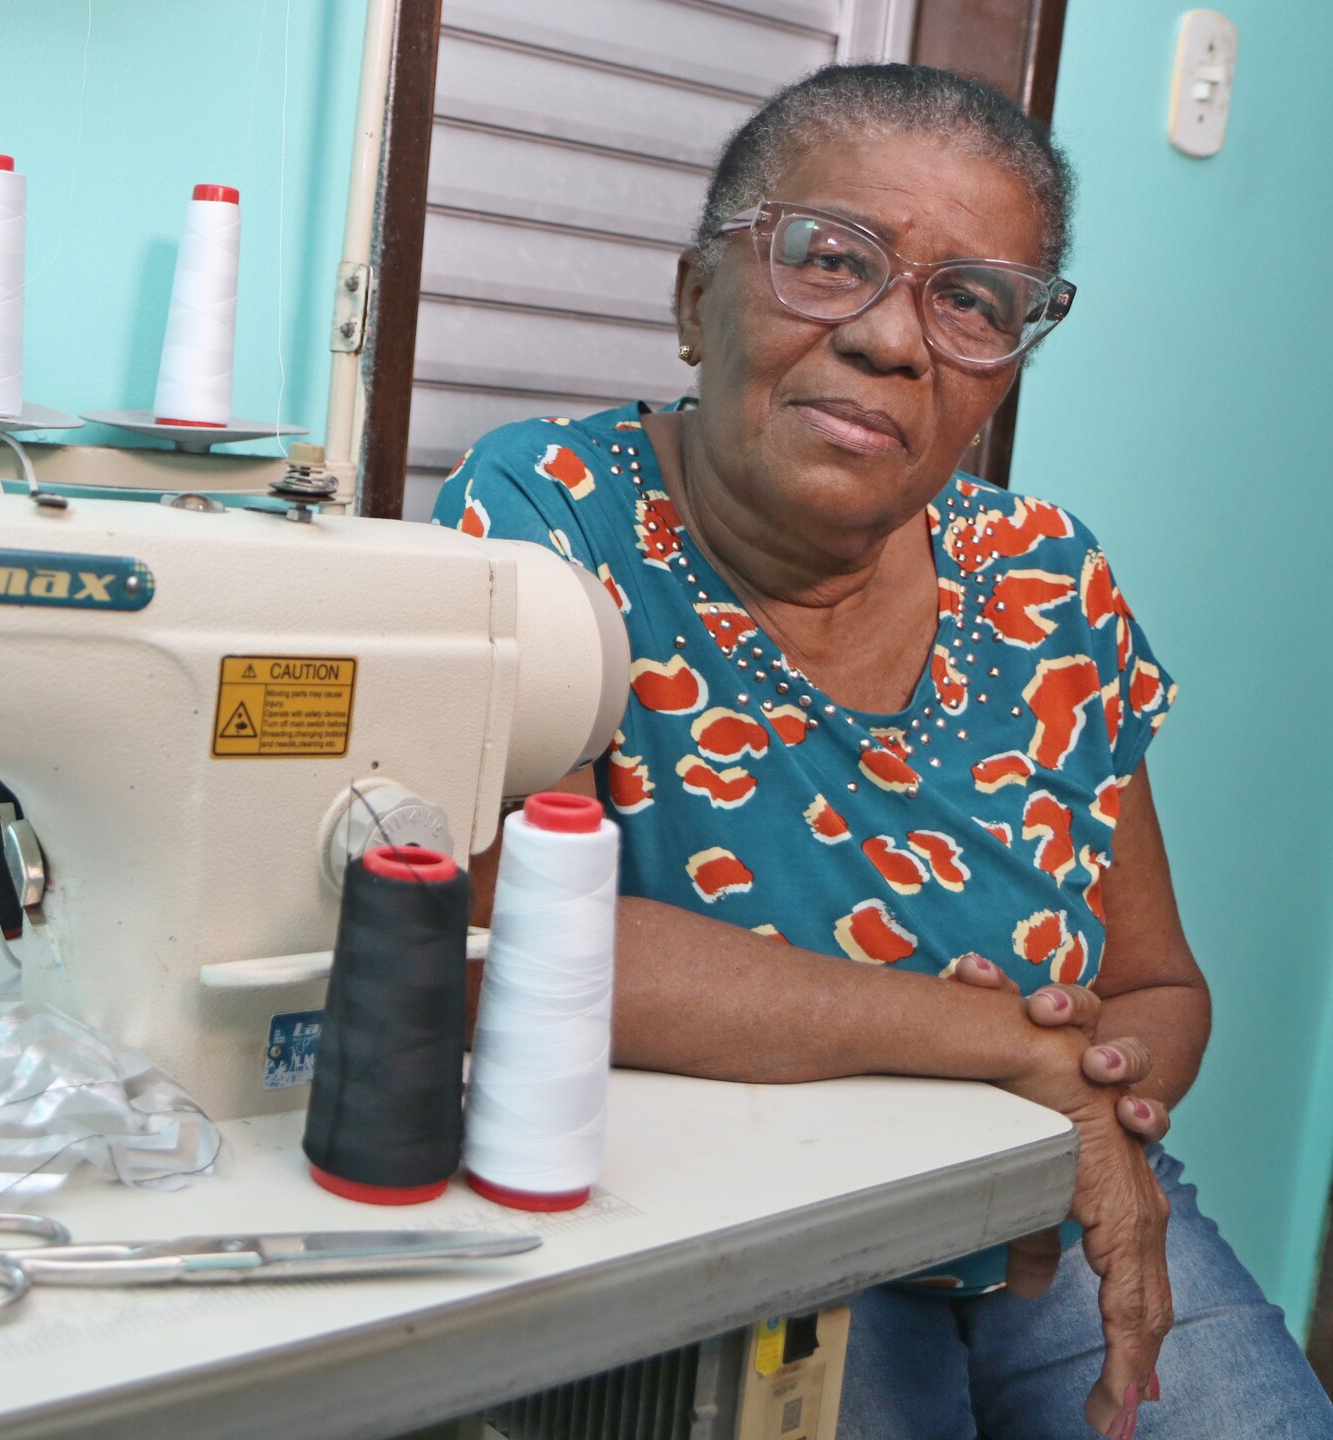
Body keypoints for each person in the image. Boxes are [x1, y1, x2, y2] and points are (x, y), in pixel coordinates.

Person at [434, 64, 1333, 1440]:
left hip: (1048, 1186)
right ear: (694, 298)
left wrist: (1073, 1122)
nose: (893, 340)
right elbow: (502, 922)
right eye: (833, 258)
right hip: (749, 1213)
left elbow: (1158, 987)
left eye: (972, 302)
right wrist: (986, 1045)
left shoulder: (1048, 578)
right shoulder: (550, 519)